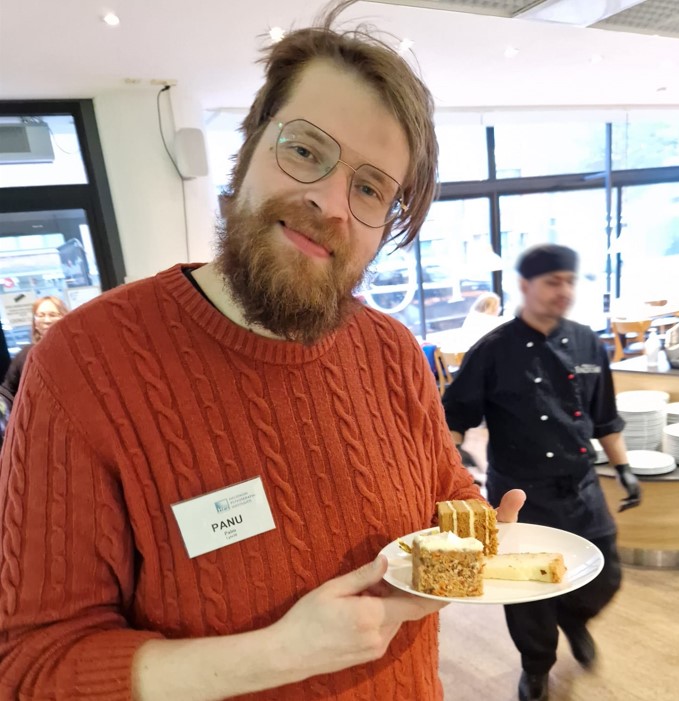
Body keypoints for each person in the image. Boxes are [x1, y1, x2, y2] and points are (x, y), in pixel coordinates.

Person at [0, 4, 525, 700]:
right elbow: (32, 665)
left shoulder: (393, 351)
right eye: (304, 150)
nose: (330, 202)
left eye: (370, 188)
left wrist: (474, 528)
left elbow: (442, 491)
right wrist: (277, 654)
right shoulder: (83, 364)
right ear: (246, 149)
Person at [442, 243, 641, 701]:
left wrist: (625, 469)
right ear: (525, 286)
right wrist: (455, 460)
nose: (564, 290)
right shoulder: (491, 350)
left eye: (570, 281)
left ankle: (575, 617)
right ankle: (536, 667)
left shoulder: (588, 342)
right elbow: (452, 419)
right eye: (553, 282)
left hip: (581, 488)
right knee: (527, 592)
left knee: (605, 577)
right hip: (520, 494)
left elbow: (605, 418)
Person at [0, 295, 69, 408]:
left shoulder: (76, 352)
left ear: (64, 317)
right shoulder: (25, 354)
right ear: (35, 323)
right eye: (41, 315)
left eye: (52, 315)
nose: (47, 320)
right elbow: (7, 390)